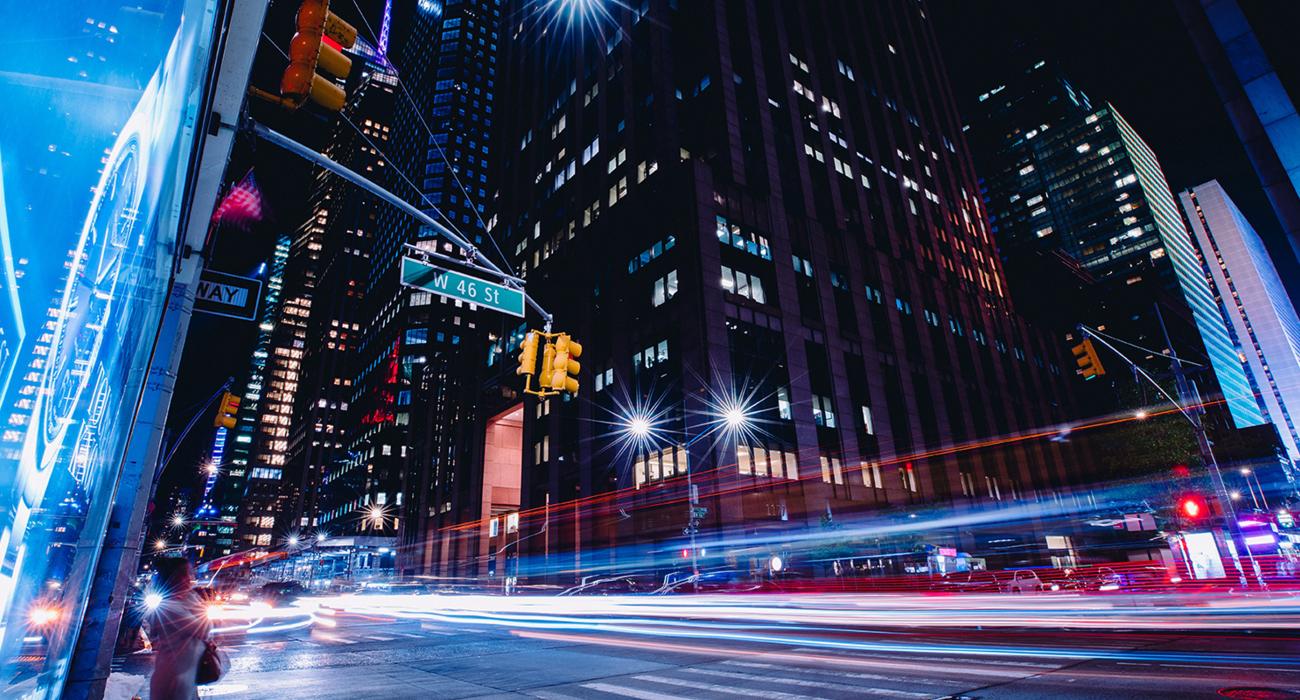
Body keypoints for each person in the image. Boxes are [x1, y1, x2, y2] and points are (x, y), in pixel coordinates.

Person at [147, 557, 211, 700]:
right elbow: (203, 629)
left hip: (186, 674)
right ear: (175, 578)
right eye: (186, 574)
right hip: (173, 677)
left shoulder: (185, 600)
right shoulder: (170, 607)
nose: (190, 578)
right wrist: (194, 600)